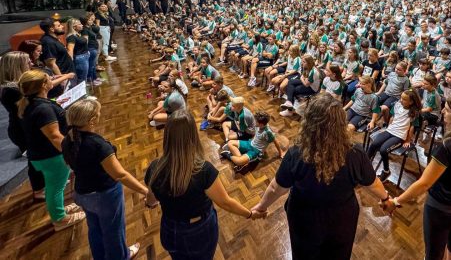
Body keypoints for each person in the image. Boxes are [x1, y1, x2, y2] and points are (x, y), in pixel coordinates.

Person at [251, 94, 392, 260]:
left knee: (304, 254)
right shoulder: (356, 152)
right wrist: (386, 199)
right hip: (342, 216)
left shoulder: (296, 153)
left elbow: (277, 187)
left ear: (309, 121)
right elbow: (372, 183)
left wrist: (261, 207)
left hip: (304, 216)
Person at [145, 110, 265, 260]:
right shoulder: (204, 170)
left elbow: (150, 199)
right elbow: (226, 202)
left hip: (169, 227)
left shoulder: (154, 167)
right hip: (198, 231)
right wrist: (250, 214)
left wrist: (151, 203)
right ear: (193, 136)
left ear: (167, 136)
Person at [388, 94, 451, 260]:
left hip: (442, 210)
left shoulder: (448, 146)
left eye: (448, 110)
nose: (443, 111)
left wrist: (395, 201)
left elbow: (424, 184)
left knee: (434, 254)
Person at [62, 99, 146, 259]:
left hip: (82, 192)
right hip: (104, 195)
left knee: (94, 228)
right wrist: (145, 191)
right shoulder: (98, 146)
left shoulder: (68, 140)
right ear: (92, 120)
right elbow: (120, 174)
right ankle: (122, 256)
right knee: (113, 230)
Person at [18, 70, 86, 230]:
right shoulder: (43, 110)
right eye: (50, 79)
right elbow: (55, 136)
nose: (53, 79)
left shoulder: (33, 103)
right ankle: (60, 219)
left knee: (53, 186)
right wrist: (72, 154)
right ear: (43, 85)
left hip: (42, 155)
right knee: (56, 188)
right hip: (51, 156)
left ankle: (59, 210)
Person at [0, 52, 45, 200]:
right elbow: (29, 107)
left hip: (28, 127)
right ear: (17, 66)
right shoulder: (10, 90)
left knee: (41, 157)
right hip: (22, 130)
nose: (31, 63)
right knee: (35, 160)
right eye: (27, 62)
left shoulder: (18, 86)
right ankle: (38, 191)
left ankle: (46, 183)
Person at [39, 17, 76, 84]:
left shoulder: (53, 38)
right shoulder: (48, 42)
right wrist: (62, 80)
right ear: (52, 29)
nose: (62, 26)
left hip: (68, 74)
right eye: (59, 26)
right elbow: (51, 64)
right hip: (64, 76)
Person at [66, 17, 90, 85]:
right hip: (80, 59)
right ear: (74, 26)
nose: (82, 25)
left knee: (83, 77)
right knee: (81, 79)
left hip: (84, 56)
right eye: (79, 24)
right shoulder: (71, 37)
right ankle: (83, 95)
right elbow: (70, 50)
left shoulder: (77, 34)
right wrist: (71, 64)